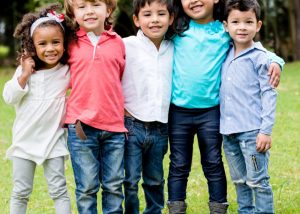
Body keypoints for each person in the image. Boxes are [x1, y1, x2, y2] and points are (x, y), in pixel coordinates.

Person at [167, 0, 284, 213]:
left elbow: (253, 48)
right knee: (178, 164)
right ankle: (176, 208)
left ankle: (218, 209)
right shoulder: (176, 28)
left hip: (212, 112)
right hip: (179, 111)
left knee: (213, 162)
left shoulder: (224, 29)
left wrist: (276, 60)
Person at [2, 3, 74, 214]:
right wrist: (24, 74)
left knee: (59, 190)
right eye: (42, 44)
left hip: (53, 142)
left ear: (64, 43)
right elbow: (8, 97)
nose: (50, 48)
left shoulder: (67, 70)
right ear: (32, 45)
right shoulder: (25, 71)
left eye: (55, 42)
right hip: (24, 142)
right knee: (20, 191)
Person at [63, 0, 126, 213]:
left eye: (96, 5)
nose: (89, 11)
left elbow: (119, 78)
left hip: (114, 128)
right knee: (87, 187)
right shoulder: (69, 43)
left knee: (114, 186)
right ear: (73, 14)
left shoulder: (118, 42)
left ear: (108, 10)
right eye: (81, 7)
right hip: (81, 127)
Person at [220, 0, 278, 213]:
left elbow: (269, 94)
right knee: (239, 181)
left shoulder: (261, 58)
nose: (242, 27)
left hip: (252, 134)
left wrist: (265, 131)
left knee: (258, 181)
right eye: (235, 22)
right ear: (226, 25)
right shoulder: (224, 53)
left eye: (248, 22)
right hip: (228, 134)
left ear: (258, 25)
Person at [121, 0, 174, 213]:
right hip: (131, 124)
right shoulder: (125, 45)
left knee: (155, 179)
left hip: (161, 126)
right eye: (147, 14)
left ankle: (154, 210)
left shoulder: (174, 47)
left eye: (161, 14)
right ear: (136, 19)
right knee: (130, 180)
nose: (154, 20)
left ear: (170, 19)